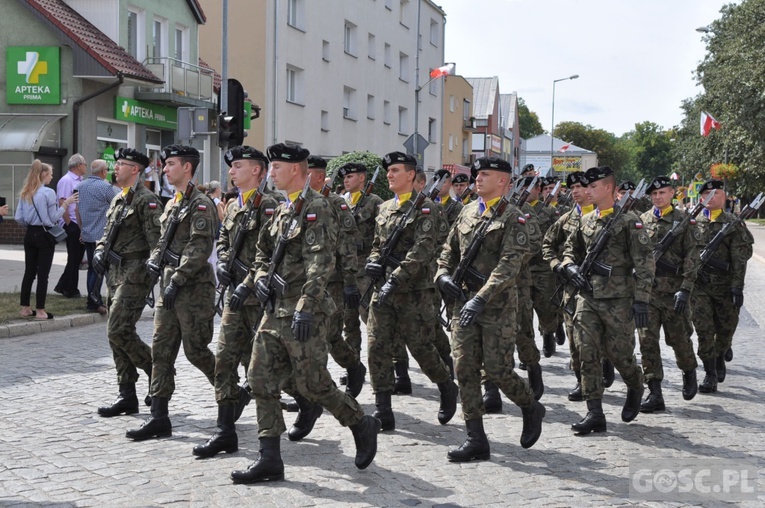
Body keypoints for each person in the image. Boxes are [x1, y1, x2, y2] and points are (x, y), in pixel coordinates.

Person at [228, 143, 379, 484]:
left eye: (276, 168)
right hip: (274, 310)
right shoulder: (283, 210)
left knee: (314, 384)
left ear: (296, 169)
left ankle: (360, 422)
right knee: (259, 379)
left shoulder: (317, 208)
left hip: (303, 310)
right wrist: (260, 280)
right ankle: (270, 457)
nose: (270, 173)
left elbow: (321, 263)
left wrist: (306, 307)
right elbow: (263, 256)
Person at [436, 156, 545, 462]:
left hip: (495, 306)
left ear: (503, 182)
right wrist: (443, 275)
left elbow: (510, 264)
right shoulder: (467, 211)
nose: (478, 178)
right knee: (465, 370)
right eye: (477, 174)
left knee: (497, 370)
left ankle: (530, 406)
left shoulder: (514, 217)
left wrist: (481, 298)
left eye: (485, 174)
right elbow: (448, 250)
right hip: (462, 304)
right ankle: (475, 438)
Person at [126, 145, 218, 441]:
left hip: (193, 289)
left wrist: (177, 278)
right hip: (170, 286)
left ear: (188, 168)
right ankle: (159, 417)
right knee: (161, 351)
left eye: (170, 164)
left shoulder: (201, 203)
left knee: (196, 351)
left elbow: (200, 248)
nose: (164, 169)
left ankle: (230, 392)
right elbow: (163, 241)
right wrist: (155, 260)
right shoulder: (173, 203)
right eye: (165, 165)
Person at [193, 146, 279, 458]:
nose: (231, 172)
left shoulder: (270, 206)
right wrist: (224, 263)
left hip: (260, 299)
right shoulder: (232, 206)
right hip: (235, 298)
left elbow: (270, 255)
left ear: (257, 171)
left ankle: (307, 403)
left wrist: (244, 278)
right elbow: (223, 240)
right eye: (232, 167)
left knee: (270, 366)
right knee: (225, 360)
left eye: (238, 166)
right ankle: (225, 431)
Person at [365, 151, 458, 432]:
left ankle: (446, 386)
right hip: (383, 289)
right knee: (376, 346)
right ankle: (384, 408)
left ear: (410, 176)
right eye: (388, 171)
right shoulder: (384, 208)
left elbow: (423, 249)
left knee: (420, 346)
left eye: (395, 170)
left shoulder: (428, 208)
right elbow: (377, 245)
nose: (390, 175)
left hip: (414, 290)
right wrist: (372, 262)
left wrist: (397, 277)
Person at [561, 166, 652, 434]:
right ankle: (594, 412)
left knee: (620, 355)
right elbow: (569, 250)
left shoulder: (629, 222)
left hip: (618, 300)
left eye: (592, 187)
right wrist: (569, 267)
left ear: (608, 188)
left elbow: (645, 263)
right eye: (585, 187)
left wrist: (641, 300)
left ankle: (636, 384)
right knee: (587, 352)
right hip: (587, 297)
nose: (586, 191)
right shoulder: (585, 220)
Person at [94, 149, 162, 417]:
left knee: (117, 329)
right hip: (114, 271)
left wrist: (152, 276)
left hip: (136, 272)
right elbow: (105, 234)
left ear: (135, 170)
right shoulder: (118, 199)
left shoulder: (147, 200)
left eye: (121, 164)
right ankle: (127, 394)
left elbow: (157, 241)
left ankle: (155, 371)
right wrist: (100, 250)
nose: (116, 168)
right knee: (115, 336)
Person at [304, 156, 367, 399]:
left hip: (333, 280)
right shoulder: (299, 202)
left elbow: (348, 244)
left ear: (319, 176)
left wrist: (350, 282)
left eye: (307, 173)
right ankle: (310, 392)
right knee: (307, 335)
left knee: (329, 333)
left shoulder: (336, 203)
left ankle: (353, 366)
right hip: (307, 280)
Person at [637, 176, 700, 412]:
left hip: (674, 293)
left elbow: (692, 258)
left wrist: (685, 289)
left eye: (662, 193)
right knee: (647, 341)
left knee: (679, 338)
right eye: (654, 194)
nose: (657, 197)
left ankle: (689, 370)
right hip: (648, 294)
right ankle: (655, 392)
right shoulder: (642, 220)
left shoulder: (684, 221)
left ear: (672, 193)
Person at [692, 179, 754, 394]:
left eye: (716, 193)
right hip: (698, 287)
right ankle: (709, 372)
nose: (711, 196)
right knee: (703, 330)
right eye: (706, 193)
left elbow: (740, 258)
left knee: (726, 328)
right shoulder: (691, 223)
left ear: (724, 197)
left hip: (724, 286)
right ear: (701, 198)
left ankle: (720, 355)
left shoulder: (733, 223)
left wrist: (737, 287)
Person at [542, 171, 594, 401]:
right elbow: (547, 246)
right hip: (572, 288)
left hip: (604, 289)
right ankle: (581, 380)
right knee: (575, 336)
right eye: (572, 188)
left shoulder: (609, 217)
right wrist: (558, 266)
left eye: (580, 187)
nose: (575, 191)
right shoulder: (565, 219)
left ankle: (603, 367)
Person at [15, 160, 78, 320]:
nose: (51, 177)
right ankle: (41, 310)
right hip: (44, 235)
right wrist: (66, 205)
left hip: (29, 233)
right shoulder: (48, 193)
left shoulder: (26, 191)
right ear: (43, 175)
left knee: (29, 272)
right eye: (50, 174)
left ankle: (25, 308)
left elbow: (19, 217)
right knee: (43, 274)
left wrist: (31, 226)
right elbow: (52, 218)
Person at [341, 162, 384, 379]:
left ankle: (388, 367)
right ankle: (353, 367)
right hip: (347, 271)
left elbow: (382, 234)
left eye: (350, 177)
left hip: (365, 270)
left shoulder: (375, 202)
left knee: (372, 320)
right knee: (348, 322)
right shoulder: (341, 203)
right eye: (344, 177)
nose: (346, 180)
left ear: (362, 178)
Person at [76, 159, 119, 314]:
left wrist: (82, 230)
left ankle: (92, 299)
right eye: (106, 169)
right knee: (98, 270)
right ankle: (94, 302)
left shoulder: (80, 186)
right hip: (101, 235)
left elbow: (77, 210)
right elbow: (116, 206)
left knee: (92, 270)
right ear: (103, 172)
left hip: (87, 233)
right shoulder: (106, 187)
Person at [54, 153, 88, 298]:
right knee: (74, 257)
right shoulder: (66, 180)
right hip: (72, 223)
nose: (86, 166)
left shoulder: (80, 180)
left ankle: (63, 285)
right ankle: (70, 289)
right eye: (85, 164)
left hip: (79, 223)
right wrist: (69, 224)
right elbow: (62, 202)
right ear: (78, 165)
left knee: (77, 257)